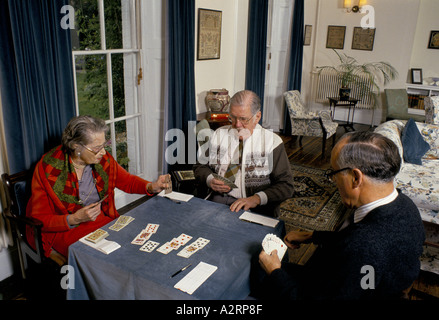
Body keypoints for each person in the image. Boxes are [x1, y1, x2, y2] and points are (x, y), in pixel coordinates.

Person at [255, 131, 425, 299]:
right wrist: (314, 236)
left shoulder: (363, 247)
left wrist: (274, 271)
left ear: (356, 178)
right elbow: (362, 241)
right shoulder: (406, 206)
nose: (334, 181)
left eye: (334, 174)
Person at [26, 115, 169, 265]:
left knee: (130, 246)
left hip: (98, 220)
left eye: (104, 145)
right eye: (96, 148)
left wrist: (151, 186)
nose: (103, 152)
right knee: (100, 261)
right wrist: (74, 219)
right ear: (76, 146)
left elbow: (127, 180)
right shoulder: (47, 168)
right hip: (63, 229)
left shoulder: (103, 159)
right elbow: (39, 219)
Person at [194, 90, 294, 217]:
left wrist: (256, 199)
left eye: (243, 119)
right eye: (233, 117)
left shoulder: (272, 142)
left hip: (254, 209)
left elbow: (286, 186)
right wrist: (210, 180)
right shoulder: (219, 134)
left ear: (257, 117)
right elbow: (200, 166)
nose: (237, 124)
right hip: (216, 199)